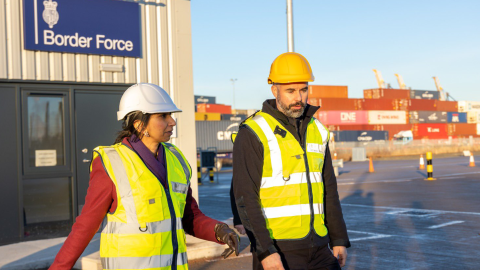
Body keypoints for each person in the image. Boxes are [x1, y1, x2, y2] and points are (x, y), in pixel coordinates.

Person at [50, 83, 239, 270]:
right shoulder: (111, 163)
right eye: (163, 116)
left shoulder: (176, 159)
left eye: (170, 116)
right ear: (140, 124)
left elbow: (189, 216)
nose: (172, 122)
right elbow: (85, 226)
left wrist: (219, 231)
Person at [232, 52, 350, 270]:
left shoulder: (317, 130)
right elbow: (245, 198)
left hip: (319, 247)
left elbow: (329, 189)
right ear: (274, 90)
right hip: (278, 249)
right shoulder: (253, 132)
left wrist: (339, 239)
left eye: (303, 89)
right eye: (290, 91)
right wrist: (265, 251)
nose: (299, 98)